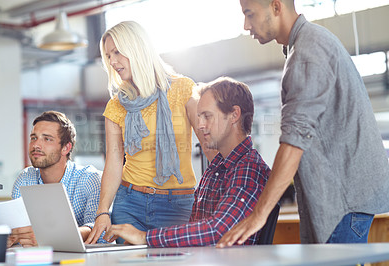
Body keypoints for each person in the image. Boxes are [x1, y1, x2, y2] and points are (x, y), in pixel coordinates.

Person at [217, 0, 389, 247]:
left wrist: (259, 215)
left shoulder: (308, 52)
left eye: (249, 14)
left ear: (276, 7)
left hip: (343, 204)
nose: (246, 25)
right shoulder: (305, 45)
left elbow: (294, 142)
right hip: (341, 200)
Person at [85, 21, 216, 244]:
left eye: (117, 52)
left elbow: (209, 143)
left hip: (178, 205)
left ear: (137, 48)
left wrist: (219, 193)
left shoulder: (182, 89)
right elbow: (114, 160)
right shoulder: (116, 106)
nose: (112, 61)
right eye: (108, 56)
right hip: (130, 203)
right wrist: (103, 212)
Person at [100, 77, 270, 247]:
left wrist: (145, 238)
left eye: (207, 116)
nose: (200, 125)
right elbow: (195, 228)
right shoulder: (216, 169)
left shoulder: (248, 168)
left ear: (234, 115)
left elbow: (217, 229)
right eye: (199, 117)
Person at [8, 111, 103, 247]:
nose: (36, 145)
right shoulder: (25, 178)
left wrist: (47, 238)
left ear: (66, 148)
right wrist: (10, 236)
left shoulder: (89, 178)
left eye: (47, 139)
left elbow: (95, 228)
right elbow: (17, 227)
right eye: (34, 138)